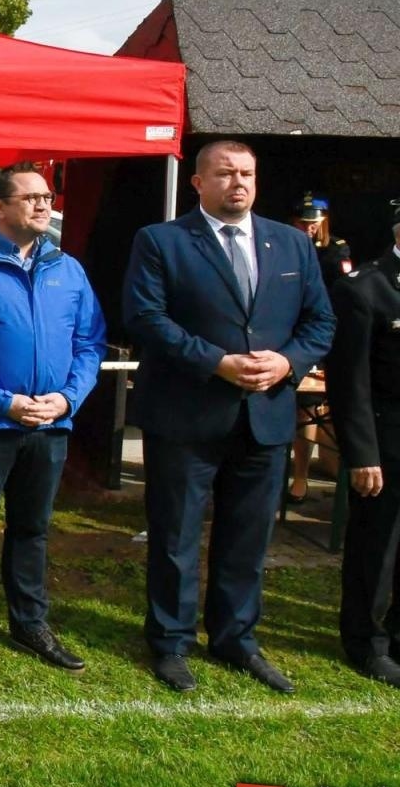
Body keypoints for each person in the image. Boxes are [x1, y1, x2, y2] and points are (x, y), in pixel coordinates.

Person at [123, 140, 334, 694]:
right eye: (225, 173)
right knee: (176, 535)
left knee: (247, 536)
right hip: (186, 415)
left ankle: (236, 639)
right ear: (198, 182)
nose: (238, 183)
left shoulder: (291, 244)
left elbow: (321, 322)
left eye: (247, 174)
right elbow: (146, 318)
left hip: (263, 417)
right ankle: (170, 642)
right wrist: (216, 362)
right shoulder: (161, 241)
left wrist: (289, 361)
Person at [0, 161, 107, 680]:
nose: (42, 204)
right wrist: (3, 401)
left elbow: (89, 343)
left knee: (32, 529)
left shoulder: (67, 269)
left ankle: (29, 622)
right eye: (29, 197)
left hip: (50, 424)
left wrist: (67, 400)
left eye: (47, 196)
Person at [323, 202, 400, 689]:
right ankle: (365, 640)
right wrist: (362, 453)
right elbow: (349, 381)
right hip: (387, 443)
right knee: (378, 548)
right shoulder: (365, 288)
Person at [289, 194, 349, 503]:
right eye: (303, 223)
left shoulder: (335, 250)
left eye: (313, 224)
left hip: (317, 335)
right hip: (286, 332)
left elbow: (340, 296)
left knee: (309, 407)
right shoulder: (284, 245)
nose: (309, 229)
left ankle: (300, 477)